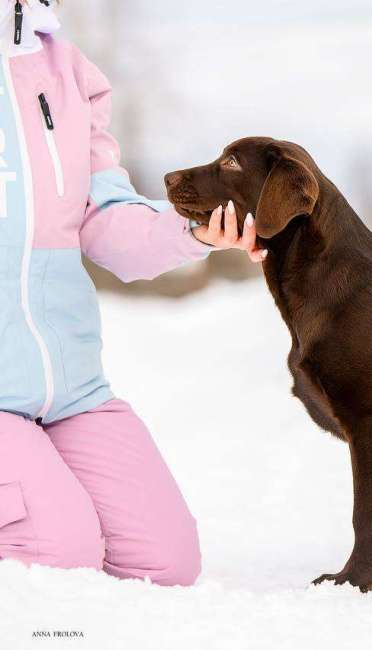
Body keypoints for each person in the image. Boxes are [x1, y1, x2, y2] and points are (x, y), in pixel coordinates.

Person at [0, 1, 261, 586]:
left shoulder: (65, 72)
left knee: (163, 561)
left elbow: (106, 222)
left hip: (70, 391)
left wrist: (193, 229)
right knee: (53, 553)